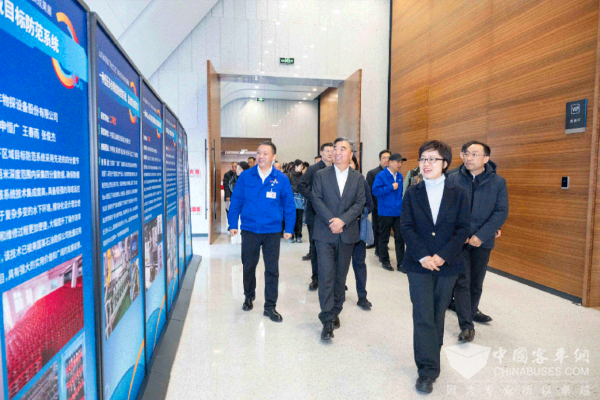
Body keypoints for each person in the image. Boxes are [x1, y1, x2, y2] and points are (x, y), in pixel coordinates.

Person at [400, 140, 470, 394]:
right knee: (422, 315)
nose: (426, 164)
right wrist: (422, 256)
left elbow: (463, 228)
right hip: (418, 265)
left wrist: (442, 256)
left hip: (446, 265)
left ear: (445, 163)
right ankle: (427, 371)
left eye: (432, 159)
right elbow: (406, 226)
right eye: (423, 159)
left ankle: (431, 355)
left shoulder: (458, 193)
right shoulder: (412, 192)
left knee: (437, 314)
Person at [447, 141, 508, 342]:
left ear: (486, 159)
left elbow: (501, 211)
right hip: (459, 241)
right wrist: (459, 233)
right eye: (466, 154)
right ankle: (466, 325)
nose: (469, 158)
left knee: (476, 283)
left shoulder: (498, 182)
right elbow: (446, 208)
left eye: (474, 154)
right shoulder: (452, 178)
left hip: (483, 241)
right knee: (462, 281)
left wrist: (482, 235)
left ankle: (471, 312)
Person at [228, 141, 296, 322]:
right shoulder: (246, 176)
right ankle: (249, 296)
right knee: (248, 266)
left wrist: (289, 228)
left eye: (265, 153)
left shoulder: (281, 179)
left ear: (273, 157)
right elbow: (236, 201)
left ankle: (270, 306)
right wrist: (233, 223)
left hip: (272, 231)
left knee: (272, 269)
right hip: (250, 229)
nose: (261, 156)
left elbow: (289, 205)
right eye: (258, 152)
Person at [312, 138, 365, 341]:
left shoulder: (357, 178)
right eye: (335, 148)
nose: (337, 152)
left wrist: (342, 220)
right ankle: (326, 319)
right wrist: (332, 221)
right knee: (326, 275)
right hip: (324, 234)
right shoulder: (321, 175)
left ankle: (335, 311)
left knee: (340, 278)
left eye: (343, 149)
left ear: (351, 155)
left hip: (347, 233)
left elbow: (360, 203)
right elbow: (316, 200)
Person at [297, 143, 334, 288]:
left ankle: (333, 279)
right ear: (321, 153)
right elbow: (301, 186)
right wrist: (313, 198)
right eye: (327, 151)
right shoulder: (313, 169)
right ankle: (316, 278)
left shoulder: (337, 168)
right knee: (315, 247)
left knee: (333, 247)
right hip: (315, 213)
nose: (330, 153)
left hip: (332, 214)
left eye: (332, 151)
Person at [372, 153, 407, 272]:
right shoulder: (381, 175)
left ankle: (401, 263)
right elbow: (375, 191)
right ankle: (385, 261)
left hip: (398, 212)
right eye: (398, 161)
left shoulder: (400, 176)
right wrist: (391, 187)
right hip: (385, 212)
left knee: (400, 238)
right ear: (390, 162)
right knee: (384, 238)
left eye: (401, 162)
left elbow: (400, 193)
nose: (400, 164)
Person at [349, 155, 373, 309]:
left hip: (357, 231)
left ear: (355, 165)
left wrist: (360, 213)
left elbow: (370, 204)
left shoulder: (361, 181)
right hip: (339, 231)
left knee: (359, 263)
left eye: (350, 162)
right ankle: (339, 290)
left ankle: (362, 296)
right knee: (340, 265)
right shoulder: (334, 182)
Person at [366, 150, 391, 258]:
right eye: (384, 158)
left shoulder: (393, 173)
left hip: (390, 207)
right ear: (380, 159)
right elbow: (369, 191)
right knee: (377, 228)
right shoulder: (372, 173)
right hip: (378, 207)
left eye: (388, 158)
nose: (386, 160)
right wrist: (372, 206)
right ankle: (378, 249)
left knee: (386, 229)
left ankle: (383, 246)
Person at [287, 159, 305, 244]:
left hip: (300, 200)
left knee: (299, 219)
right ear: (296, 166)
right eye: (300, 166)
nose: (302, 168)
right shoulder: (289, 175)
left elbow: (305, 186)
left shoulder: (303, 176)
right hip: (290, 200)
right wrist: (296, 188)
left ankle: (298, 235)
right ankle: (291, 236)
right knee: (291, 218)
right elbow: (286, 186)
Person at [223, 162, 237, 231]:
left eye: (235, 167)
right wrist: (227, 196)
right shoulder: (227, 175)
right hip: (229, 196)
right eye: (232, 167)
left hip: (237, 197)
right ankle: (230, 224)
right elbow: (226, 186)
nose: (234, 168)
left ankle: (235, 224)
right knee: (229, 211)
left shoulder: (239, 175)